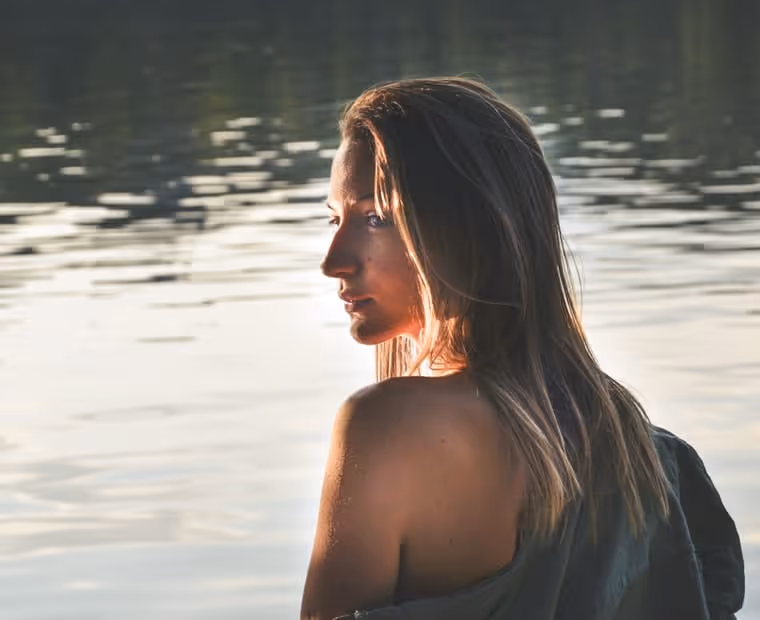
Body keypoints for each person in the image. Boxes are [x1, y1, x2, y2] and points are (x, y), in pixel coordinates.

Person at [300, 77, 744, 620]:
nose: (333, 260)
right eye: (333, 218)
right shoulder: (646, 454)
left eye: (376, 218)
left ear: (471, 230)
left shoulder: (383, 425)